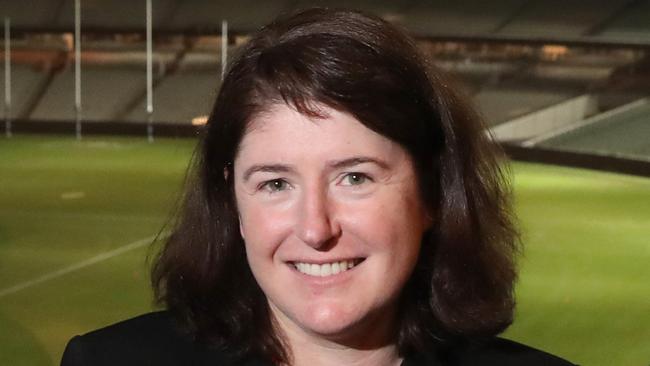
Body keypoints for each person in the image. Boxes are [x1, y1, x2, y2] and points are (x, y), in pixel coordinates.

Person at [61, 8, 575, 366]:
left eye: (355, 177)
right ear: (233, 200)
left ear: (433, 193)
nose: (314, 228)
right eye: (275, 183)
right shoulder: (109, 361)